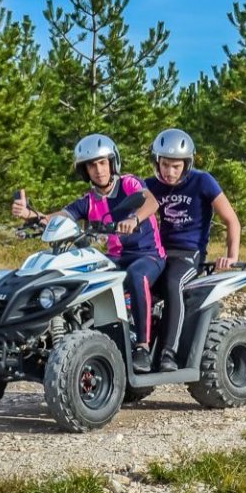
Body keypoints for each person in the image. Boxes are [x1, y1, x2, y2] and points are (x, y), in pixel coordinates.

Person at [12, 134, 165, 373]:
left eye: (103, 162)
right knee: (83, 276)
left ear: (113, 163)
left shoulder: (129, 184)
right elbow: (59, 217)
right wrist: (31, 216)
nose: (98, 169)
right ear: (85, 170)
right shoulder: (89, 201)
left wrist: (134, 218)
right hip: (116, 258)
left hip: (148, 255)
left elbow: (151, 202)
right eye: (91, 165)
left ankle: (143, 348)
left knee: (137, 276)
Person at [144, 128, 240, 372]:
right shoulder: (151, 186)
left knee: (173, 282)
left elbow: (231, 220)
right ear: (157, 162)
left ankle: (169, 352)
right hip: (159, 252)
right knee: (136, 282)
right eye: (165, 165)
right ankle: (139, 348)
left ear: (187, 164)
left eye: (176, 166)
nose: (170, 171)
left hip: (189, 253)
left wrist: (232, 256)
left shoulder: (203, 181)